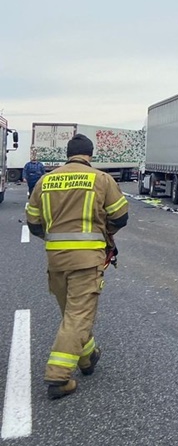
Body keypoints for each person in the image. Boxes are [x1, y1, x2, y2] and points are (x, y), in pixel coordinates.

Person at [25, 134, 129, 399]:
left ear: (67, 154)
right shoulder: (100, 179)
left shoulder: (46, 181)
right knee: (78, 316)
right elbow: (121, 216)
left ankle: (87, 358)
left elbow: (34, 223)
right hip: (87, 260)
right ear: (90, 155)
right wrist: (106, 233)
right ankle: (58, 378)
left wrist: (54, 239)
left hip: (56, 260)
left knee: (72, 314)